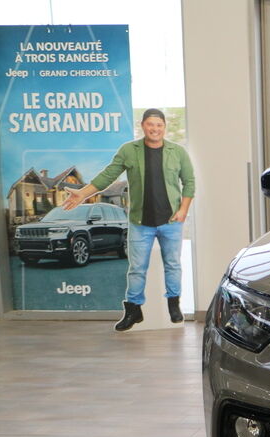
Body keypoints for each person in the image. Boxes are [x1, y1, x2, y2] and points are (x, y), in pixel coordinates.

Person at [64, 108, 195, 331]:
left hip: (171, 221)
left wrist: (183, 210)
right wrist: (83, 193)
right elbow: (108, 175)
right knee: (136, 268)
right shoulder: (129, 150)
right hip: (140, 222)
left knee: (173, 265)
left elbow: (189, 182)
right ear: (143, 126)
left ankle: (174, 304)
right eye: (151, 124)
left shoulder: (178, 152)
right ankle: (134, 310)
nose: (155, 129)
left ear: (164, 127)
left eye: (159, 125)